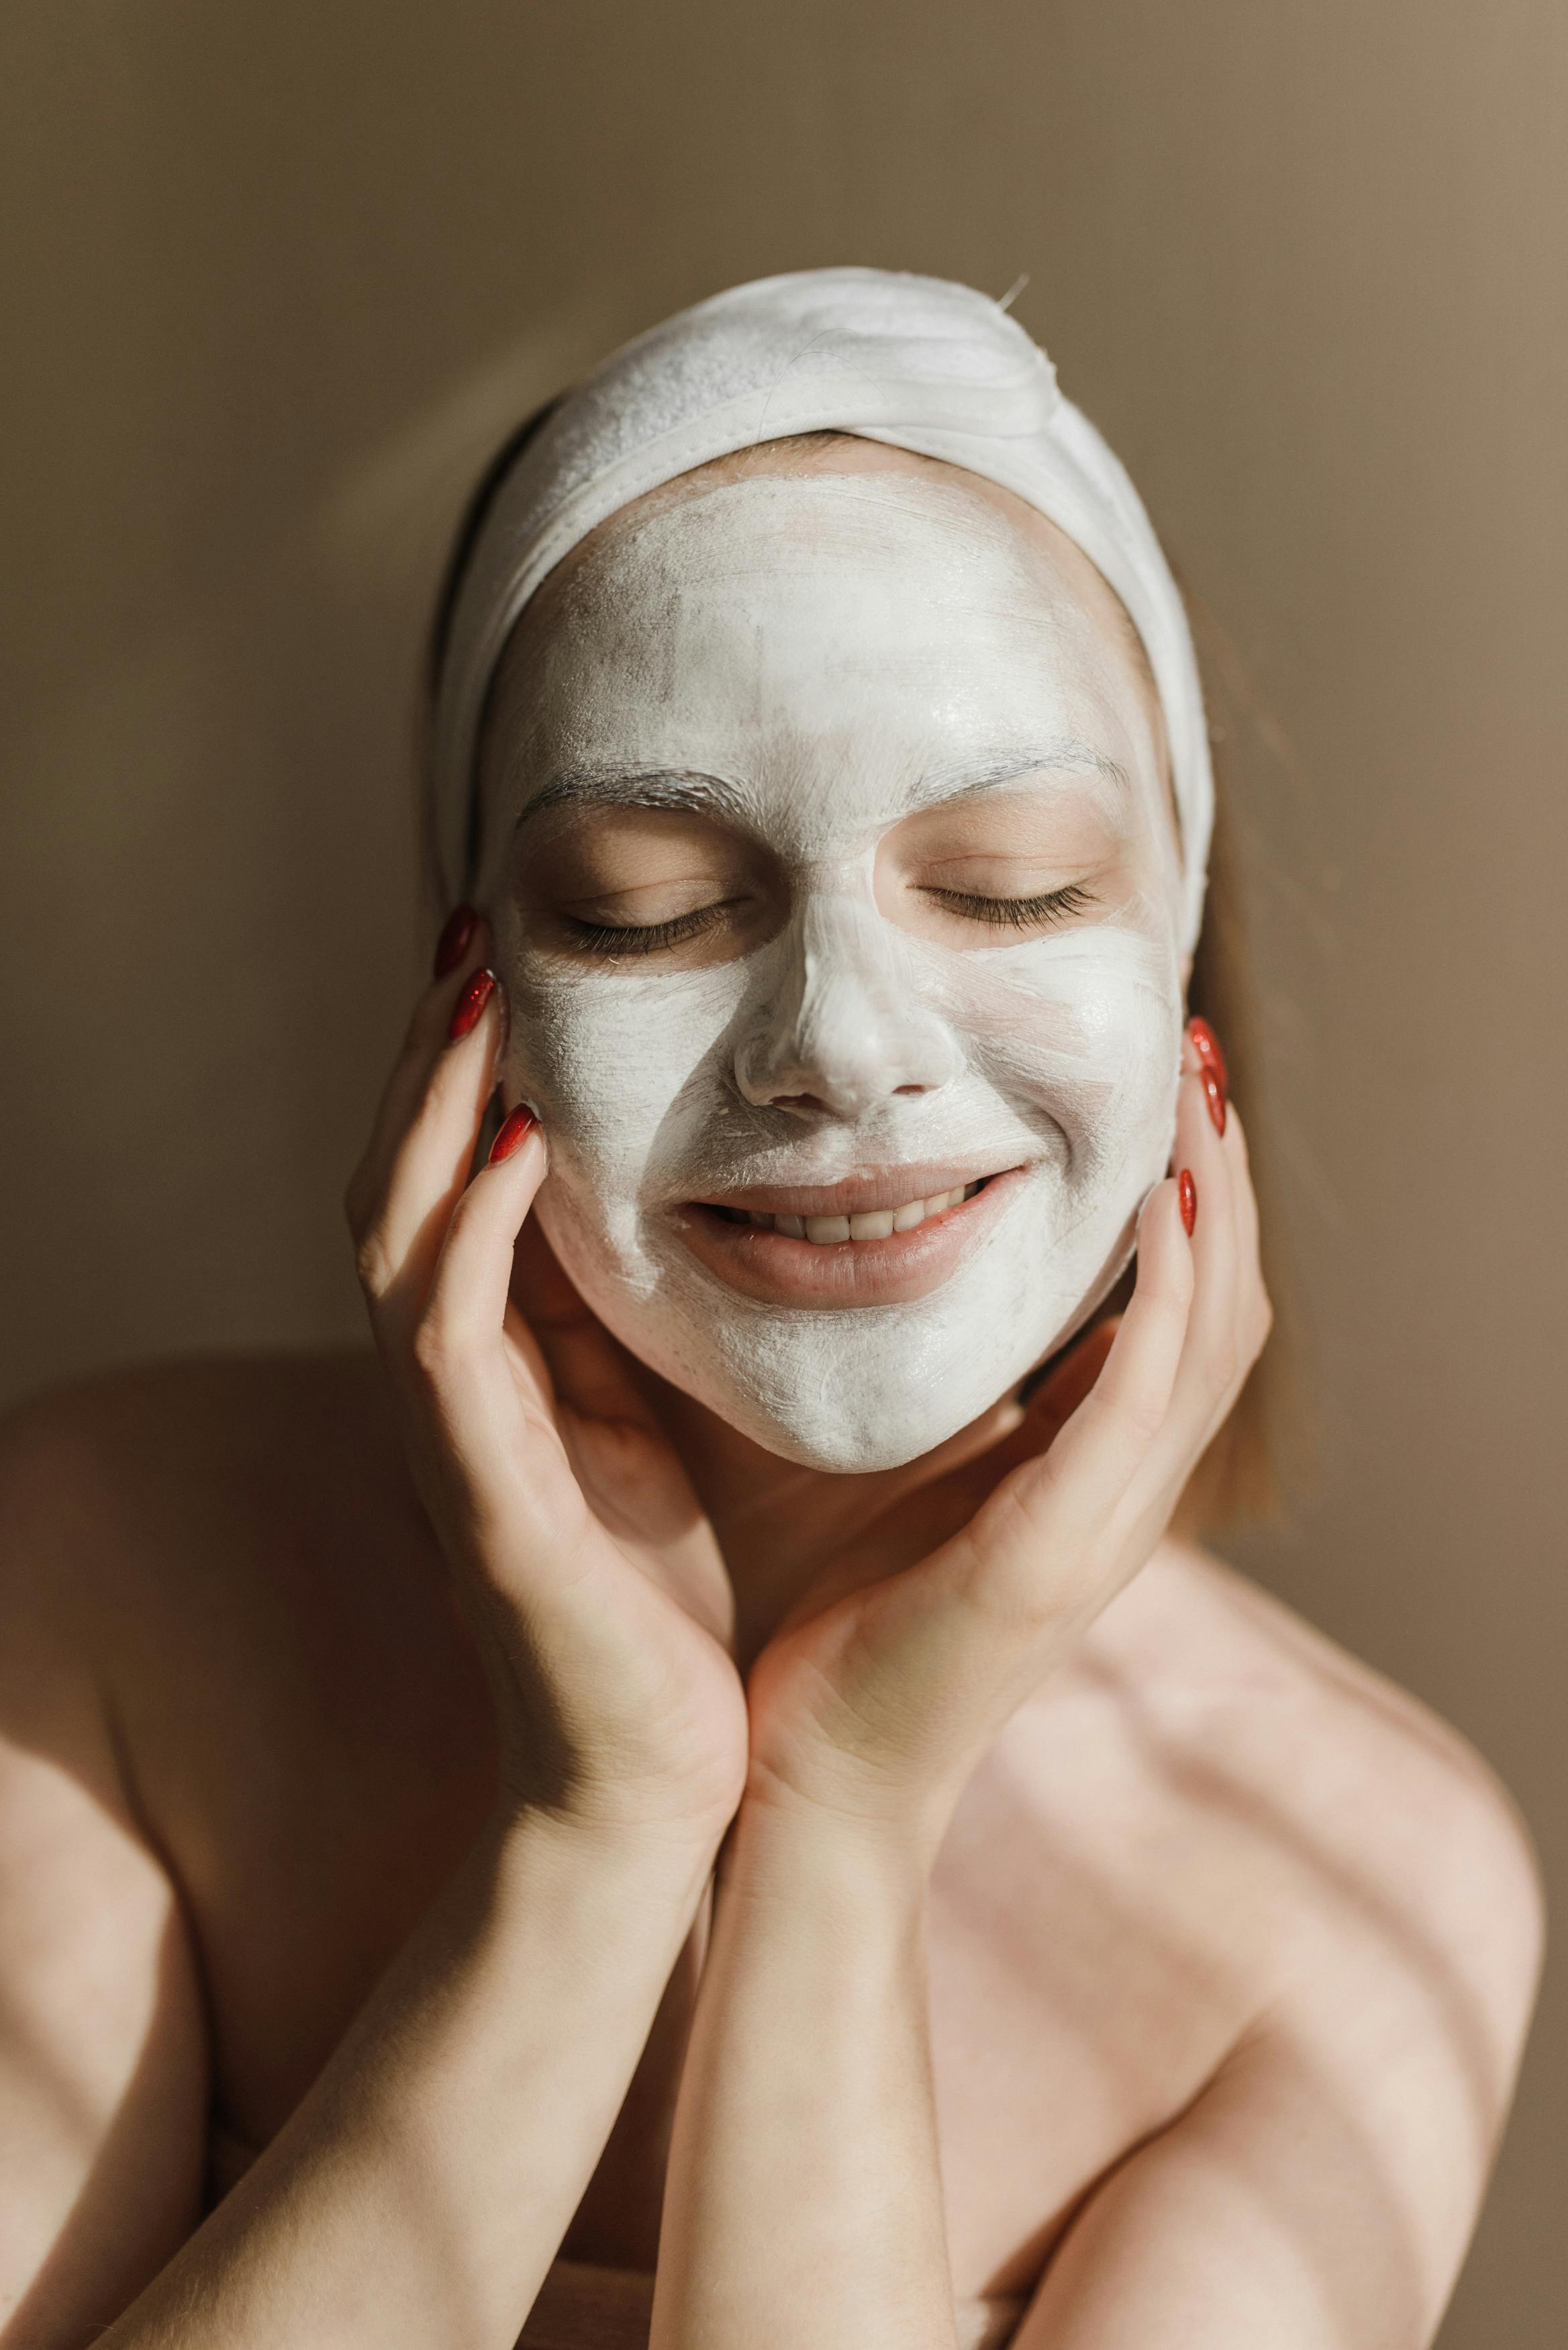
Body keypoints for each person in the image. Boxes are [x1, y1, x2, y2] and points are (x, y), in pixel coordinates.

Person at [0, 271, 1541, 2350]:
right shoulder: (91, 1597)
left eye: (1005, 883)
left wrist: (835, 1833)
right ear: (473, 1001)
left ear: (1183, 962)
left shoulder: (1359, 1892)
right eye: (647, 905)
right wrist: (601, 1824)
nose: (839, 1046)